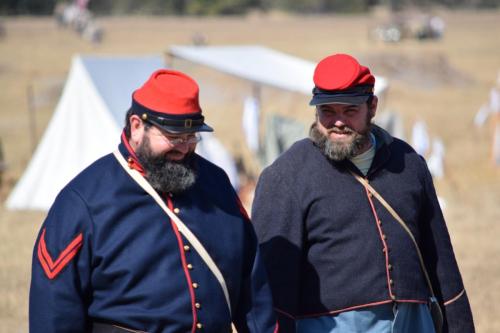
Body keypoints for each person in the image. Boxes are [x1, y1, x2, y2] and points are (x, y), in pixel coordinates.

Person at [30, 69, 278, 333]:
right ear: (137, 126)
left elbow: (252, 285)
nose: (184, 148)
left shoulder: (216, 184)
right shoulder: (83, 201)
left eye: (191, 136)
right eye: (173, 137)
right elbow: (55, 308)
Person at [251, 54, 474, 333]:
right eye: (327, 111)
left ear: (373, 106)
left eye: (350, 111)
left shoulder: (408, 163)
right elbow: (272, 280)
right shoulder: (286, 175)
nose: (338, 122)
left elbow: (440, 260)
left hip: (415, 321)